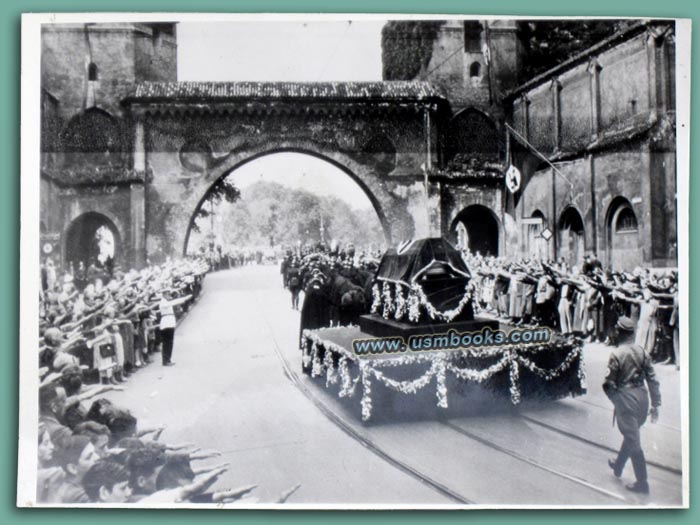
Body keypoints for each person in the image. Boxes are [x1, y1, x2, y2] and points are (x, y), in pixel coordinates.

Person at [603, 316, 661, 495]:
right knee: (632, 434)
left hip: (625, 398)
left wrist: (617, 400)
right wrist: (656, 404)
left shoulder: (617, 354)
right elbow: (652, 380)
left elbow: (607, 384)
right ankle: (618, 466)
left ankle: (642, 482)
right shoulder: (642, 352)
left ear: (619, 332)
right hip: (642, 398)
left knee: (633, 440)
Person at [158, 290, 192, 366]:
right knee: (167, 343)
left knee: (169, 342)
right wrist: (184, 299)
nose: (169, 295)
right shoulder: (163, 302)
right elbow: (173, 302)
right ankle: (166, 360)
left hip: (169, 323)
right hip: (166, 324)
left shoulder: (166, 302)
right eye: (167, 294)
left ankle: (168, 359)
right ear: (163, 295)